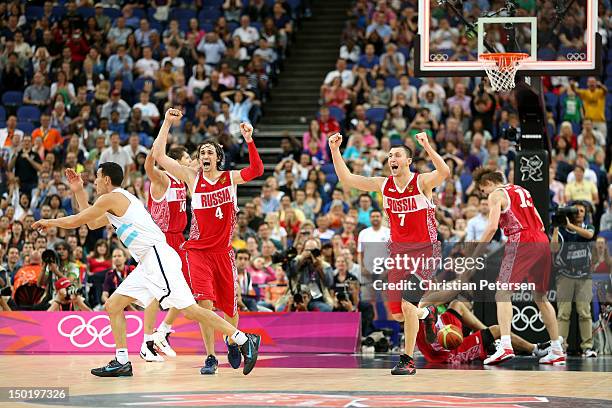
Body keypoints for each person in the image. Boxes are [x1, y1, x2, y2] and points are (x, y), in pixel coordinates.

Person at [32, 161, 261, 377]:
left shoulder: (113, 197)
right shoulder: (113, 203)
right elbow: (91, 222)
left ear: (108, 180)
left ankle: (243, 339)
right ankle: (122, 362)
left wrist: (49, 222)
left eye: (98, 178)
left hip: (158, 256)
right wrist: (78, 190)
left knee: (190, 310)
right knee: (113, 305)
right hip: (147, 263)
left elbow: (78, 220)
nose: (95, 182)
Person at [152, 109, 264, 374]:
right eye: (201, 153)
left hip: (223, 252)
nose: (204, 156)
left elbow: (257, 169)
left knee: (229, 306)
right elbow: (158, 156)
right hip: (198, 252)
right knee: (204, 305)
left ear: (218, 158)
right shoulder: (192, 178)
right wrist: (167, 122)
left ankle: (233, 340)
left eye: (209, 153)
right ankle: (211, 357)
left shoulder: (229, 179)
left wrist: (249, 140)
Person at [329, 131, 450, 375]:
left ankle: (407, 359)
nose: (391, 158)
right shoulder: (383, 185)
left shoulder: (422, 182)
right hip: (398, 253)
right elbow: (348, 178)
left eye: (396, 155)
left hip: (425, 251)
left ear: (408, 161)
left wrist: (427, 145)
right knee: (399, 315)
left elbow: (445, 172)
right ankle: (427, 313)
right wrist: (334, 149)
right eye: (389, 156)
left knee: (407, 305)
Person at [472, 168, 565, 366]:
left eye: (482, 190)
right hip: (541, 238)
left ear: (488, 183)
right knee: (541, 298)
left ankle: (505, 345)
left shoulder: (496, 194)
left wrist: (475, 253)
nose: (484, 195)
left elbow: (491, 228)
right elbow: (539, 220)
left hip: (521, 239)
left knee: (502, 293)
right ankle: (556, 349)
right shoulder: (522, 190)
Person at [138, 145, 193, 362]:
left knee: (187, 287)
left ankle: (162, 331)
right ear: (176, 160)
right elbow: (148, 167)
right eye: (187, 157)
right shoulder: (163, 179)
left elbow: (201, 164)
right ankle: (153, 336)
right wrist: (158, 146)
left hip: (178, 238)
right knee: (157, 292)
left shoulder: (183, 178)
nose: (191, 160)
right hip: (163, 238)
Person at [416, 300, 550, 364]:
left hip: (442, 327)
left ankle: (491, 338)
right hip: (446, 350)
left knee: (457, 304)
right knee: (497, 330)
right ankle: (535, 349)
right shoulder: (411, 309)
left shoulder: (420, 284)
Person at [551, 202, 596, 357]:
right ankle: (561, 347)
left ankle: (587, 347)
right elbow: (553, 249)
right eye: (576, 210)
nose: (578, 213)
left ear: (586, 213)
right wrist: (557, 227)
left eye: (582, 210)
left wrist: (570, 225)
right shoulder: (562, 230)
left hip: (584, 276)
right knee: (563, 313)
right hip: (565, 275)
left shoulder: (588, 227)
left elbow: (589, 236)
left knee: (585, 313)